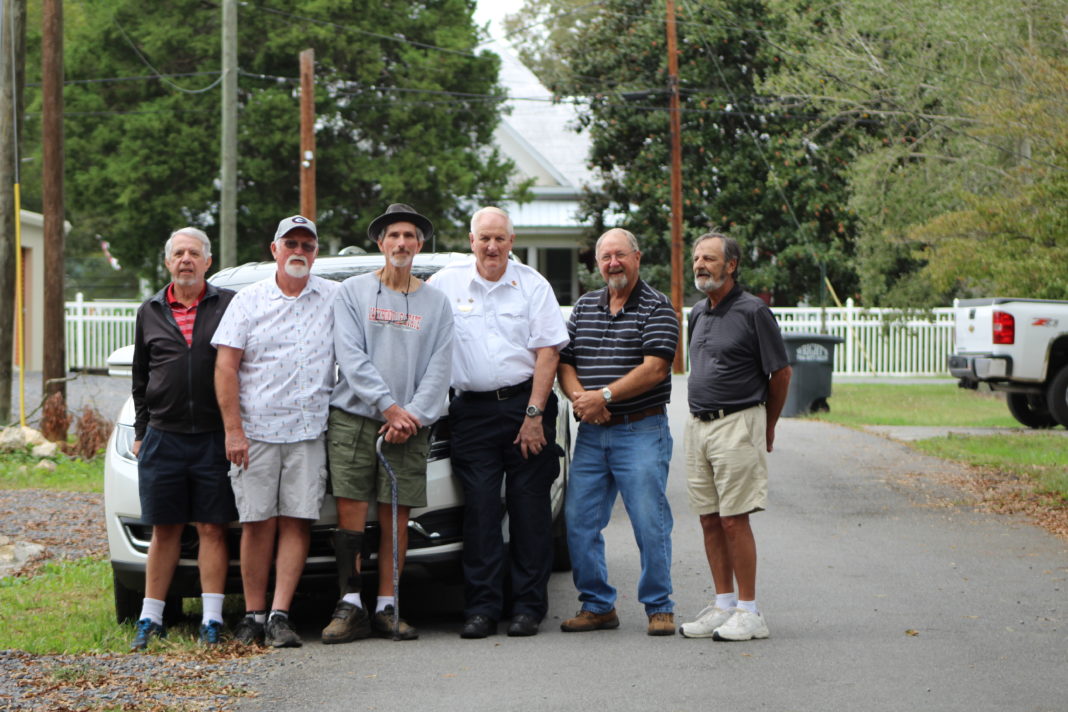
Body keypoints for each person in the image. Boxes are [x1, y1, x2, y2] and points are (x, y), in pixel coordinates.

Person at [428, 206, 569, 638]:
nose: (492, 246)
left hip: (526, 406)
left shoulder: (533, 285)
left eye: (500, 239)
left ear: (511, 241)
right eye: (484, 238)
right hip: (469, 412)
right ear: (471, 241)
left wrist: (533, 414)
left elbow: (548, 351)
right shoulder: (442, 286)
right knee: (481, 512)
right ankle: (482, 609)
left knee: (530, 510)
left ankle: (528, 607)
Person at [321, 204, 453, 644]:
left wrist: (410, 414)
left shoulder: (436, 303)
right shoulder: (353, 293)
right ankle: (350, 604)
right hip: (356, 419)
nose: (401, 243)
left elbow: (440, 366)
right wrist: (387, 407)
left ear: (419, 244)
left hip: (410, 426)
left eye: (409, 236)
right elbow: (350, 356)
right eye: (393, 235)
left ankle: (387, 605)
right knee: (351, 513)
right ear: (380, 242)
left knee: (396, 516)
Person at [212, 215, 338, 648]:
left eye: (307, 244)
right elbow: (225, 366)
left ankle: (281, 615)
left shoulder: (334, 298)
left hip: (308, 431)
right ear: (275, 250)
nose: (299, 251)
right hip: (257, 433)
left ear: (316, 252)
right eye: (291, 244)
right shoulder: (248, 301)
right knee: (256, 522)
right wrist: (234, 430)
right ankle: (252, 613)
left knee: (298, 521)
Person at [557, 228, 680, 636]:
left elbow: (656, 368)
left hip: (641, 428)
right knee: (578, 520)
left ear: (637, 257)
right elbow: (565, 362)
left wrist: (603, 396)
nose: (613, 263)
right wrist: (582, 400)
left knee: (649, 520)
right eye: (606, 257)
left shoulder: (657, 307)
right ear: (597, 263)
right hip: (593, 433)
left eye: (620, 255)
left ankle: (659, 606)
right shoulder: (585, 306)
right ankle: (597, 605)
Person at [679, 231, 791, 641]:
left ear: (731, 265)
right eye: (696, 258)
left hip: (739, 422)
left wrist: (768, 424)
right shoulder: (697, 312)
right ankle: (724, 605)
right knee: (708, 518)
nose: (700, 265)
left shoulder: (753, 312)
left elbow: (781, 374)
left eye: (709, 258)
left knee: (733, 519)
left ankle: (749, 612)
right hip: (699, 426)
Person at [128, 227, 237, 650]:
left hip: (214, 436)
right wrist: (141, 434)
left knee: (212, 528)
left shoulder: (229, 305)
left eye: (195, 253)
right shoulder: (149, 310)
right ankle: (150, 618)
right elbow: (140, 379)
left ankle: (212, 619)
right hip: (163, 436)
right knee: (165, 529)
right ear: (168, 262)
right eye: (179, 253)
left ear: (208, 261)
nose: (186, 259)